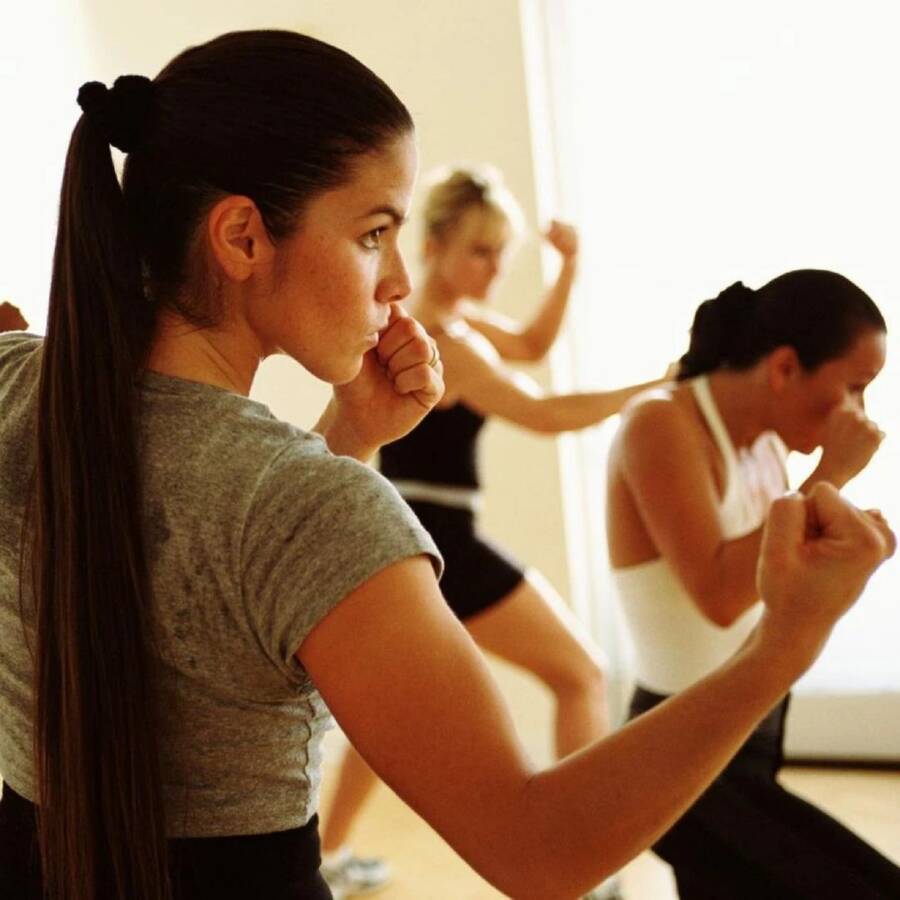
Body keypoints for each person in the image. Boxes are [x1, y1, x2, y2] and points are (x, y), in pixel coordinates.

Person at [0, 31, 893, 900]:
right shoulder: (312, 508)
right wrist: (787, 642)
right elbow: (540, 852)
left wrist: (352, 431)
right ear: (240, 238)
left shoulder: (14, 383)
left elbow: (211, 547)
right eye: (372, 233)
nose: (396, 281)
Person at [320, 166, 668, 900]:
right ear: (435, 246)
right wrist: (655, 387)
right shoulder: (447, 343)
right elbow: (546, 414)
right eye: (481, 250)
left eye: (503, 252)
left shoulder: (451, 328)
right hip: (439, 535)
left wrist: (568, 266)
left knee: (391, 719)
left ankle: (326, 855)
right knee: (580, 673)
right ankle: (587, 869)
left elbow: (534, 344)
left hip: (410, 531)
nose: (495, 268)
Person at [607, 271, 900, 899]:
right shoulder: (658, 422)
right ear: (786, 366)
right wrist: (831, 474)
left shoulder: (767, 447)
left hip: (754, 728)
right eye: (856, 386)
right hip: (678, 743)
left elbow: (776, 578)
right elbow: (718, 595)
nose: (861, 413)